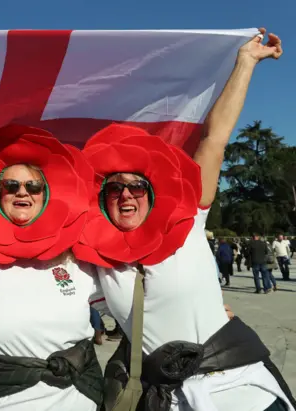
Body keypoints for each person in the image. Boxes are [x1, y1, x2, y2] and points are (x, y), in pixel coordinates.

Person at [74, 30, 295, 411]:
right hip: (169, 401)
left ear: (153, 192)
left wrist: (246, 62)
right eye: (114, 189)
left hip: (242, 391)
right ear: (102, 200)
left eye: (136, 187)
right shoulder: (96, 261)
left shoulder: (188, 221)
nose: (126, 194)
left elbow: (215, 138)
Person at [0, 125, 106, 411]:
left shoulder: (76, 261)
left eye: (33, 186)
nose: (22, 192)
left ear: (46, 194)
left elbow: (131, 309)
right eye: (10, 186)